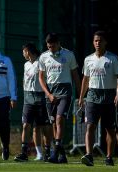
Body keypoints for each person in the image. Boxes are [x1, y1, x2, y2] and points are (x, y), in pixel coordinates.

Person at [38, 33, 81, 163]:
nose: (51, 48)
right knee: (54, 125)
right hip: (50, 93)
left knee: (59, 119)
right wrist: (49, 94)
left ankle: (55, 153)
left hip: (65, 92)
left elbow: (75, 76)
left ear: (58, 43)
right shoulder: (43, 57)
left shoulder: (69, 55)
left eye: (53, 46)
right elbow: (41, 78)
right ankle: (62, 155)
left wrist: (80, 95)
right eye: (48, 46)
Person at [79, 31, 118, 166]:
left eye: (100, 41)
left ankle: (109, 157)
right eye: (96, 41)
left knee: (110, 129)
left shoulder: (113, 59)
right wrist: (81, 97)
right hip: (92, 96)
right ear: (93, 42)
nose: (98, 43)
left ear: (105, 42)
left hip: (108, 96)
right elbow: (85, 79)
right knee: (90, 126)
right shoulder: (88, 59)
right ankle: (89, 155)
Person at [14, 43, 53, 162]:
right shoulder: (26, 64)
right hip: (28, 99)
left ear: (28, 51)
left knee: (42, 127)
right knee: (26, 125)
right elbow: (25, 81)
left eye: (24, 51)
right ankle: (25, 153)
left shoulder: (41, 62)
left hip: (41, 98)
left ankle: (47, 152)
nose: (23, 54)